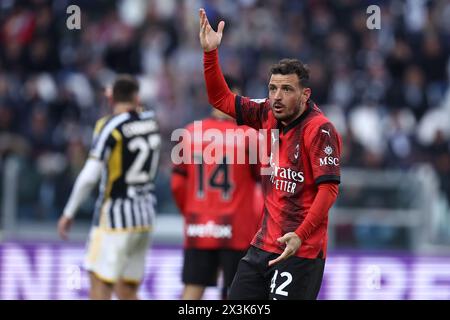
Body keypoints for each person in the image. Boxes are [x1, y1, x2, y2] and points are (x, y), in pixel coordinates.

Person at [198, 8, 341, 300]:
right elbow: (220, 99)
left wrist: (300, 235)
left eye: (286, 89)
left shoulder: (320, 130)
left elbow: (328, 190)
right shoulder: (266, 112)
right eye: (272, 88)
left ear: (305, 95)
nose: (276, 96)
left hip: (300, 251)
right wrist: (211, 54)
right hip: (263, 245)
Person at [57, 75, 161, 300]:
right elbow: (136, 110)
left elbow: (89, 176)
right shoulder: (151, 121)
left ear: (111, 97)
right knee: (127, 291)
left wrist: (68, 212)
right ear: (136, 97)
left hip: (115, 218)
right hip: (145, 217)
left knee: (99, 282)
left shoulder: (109, 126)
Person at [171, 77, 263, 300]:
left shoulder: (189, 132)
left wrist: (193, 213)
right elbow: (263, 181)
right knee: (238, 291)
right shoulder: (250, 136)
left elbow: (176, 184)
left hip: (198, 227)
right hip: (237, 228)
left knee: (193, 289)